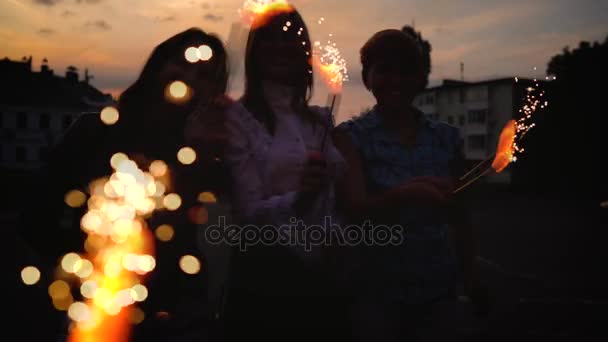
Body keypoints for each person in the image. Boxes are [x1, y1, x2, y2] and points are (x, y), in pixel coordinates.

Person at [17, 27, 231, 341]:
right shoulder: (95, 132)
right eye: (182, 63)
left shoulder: (208, 157)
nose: (189, 78)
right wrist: (85, 270)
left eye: (203, 74)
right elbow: (36, 217)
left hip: (171, 322)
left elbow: (205, 238)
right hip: (93, 310)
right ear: (158, 65)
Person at [333, 28, 483, 341]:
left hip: (439, 289)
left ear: (420, 78)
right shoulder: (351, 137)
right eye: (385, 69)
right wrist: (404, 196)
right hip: (375, 291)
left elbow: (460, 216)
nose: (396, 79)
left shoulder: (446, 138)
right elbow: (352, 209)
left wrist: (470, 277)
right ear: (367, 77)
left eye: (406, 70)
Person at [222, 4, 347, 341]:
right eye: (270, 38)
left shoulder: (321, 120)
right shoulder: (237, 119)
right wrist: (301, 196)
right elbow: (247, 214)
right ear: (255, 49)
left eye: (290, 38)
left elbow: (331, 202)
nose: (281, 46)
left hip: (326, 282)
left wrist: (336, 233)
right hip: (266, 281)